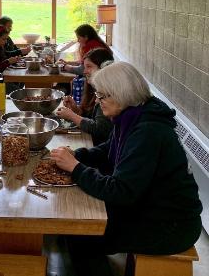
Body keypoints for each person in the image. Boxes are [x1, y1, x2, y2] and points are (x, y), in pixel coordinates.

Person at [51, 62, 202, 276]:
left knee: (81, 235)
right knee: (75, 224)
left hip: (170, 224)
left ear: (122, 93)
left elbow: (121, 191)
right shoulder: (134, 116)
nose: (98, 101)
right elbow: (108, 149)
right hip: (150, 207)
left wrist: (76, 168)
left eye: (103, 96)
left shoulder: (148, 131)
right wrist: (78, 156)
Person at [56, 48, 114, 145]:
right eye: (84, 67)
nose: (84, 71)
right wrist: (76, 110)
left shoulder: (107, 93)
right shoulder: (93, 88)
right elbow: (92, 119)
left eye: (89, 67)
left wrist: (73, 116)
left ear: (103, 68)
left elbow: (100, 129)